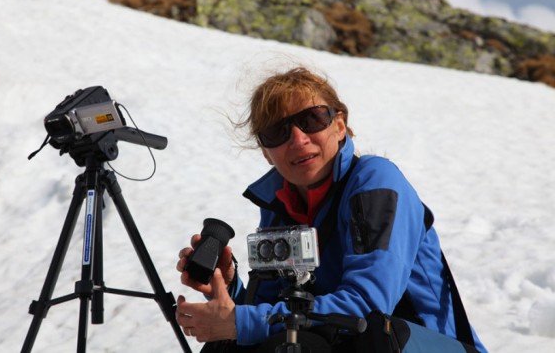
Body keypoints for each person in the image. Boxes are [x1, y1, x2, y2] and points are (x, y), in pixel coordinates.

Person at [175, 66, 487, 352]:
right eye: (276, 132)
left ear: (339, 126)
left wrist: (240, 322)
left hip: (414, 344)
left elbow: (368, 306)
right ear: (266, 152)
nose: (298, 139)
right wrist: (230, 291)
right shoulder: (280, 204)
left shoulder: (375, 182)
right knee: (232, 346)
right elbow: (277, 309)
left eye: (312, 120)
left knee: (359, 334)